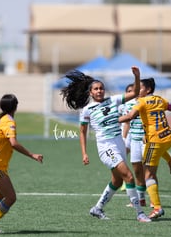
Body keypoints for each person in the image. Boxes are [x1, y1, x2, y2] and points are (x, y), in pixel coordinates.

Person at [60, 66, 151, 223]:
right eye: (96, 89)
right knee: (129, 176)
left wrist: (137, 76)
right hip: (106, 147)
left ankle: (97, 208)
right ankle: (140, 213)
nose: (99, 91)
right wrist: (84, 153)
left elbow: (135, 93)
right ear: (90, 93)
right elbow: (82, 132)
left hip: (119, 143)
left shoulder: (113, 100)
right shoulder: (87, 110)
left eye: (101, 88)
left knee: (117, 181)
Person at [0, 94, 44, 234]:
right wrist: (32, 155)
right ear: (15, 107)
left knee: (1, 193)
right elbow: (13, 143)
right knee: (11, 197)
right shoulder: (9, 122)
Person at [119, 78, 171, 220]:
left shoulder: (141, 101)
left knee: (149, 175)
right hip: (168, 138)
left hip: (155, 140)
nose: (136, 90)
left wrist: (111, 121)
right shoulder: (159, 100)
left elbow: (129, 116)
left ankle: (157, 207)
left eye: (139, 88)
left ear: (147, 90)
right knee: (147, 169)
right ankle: (170, 161)